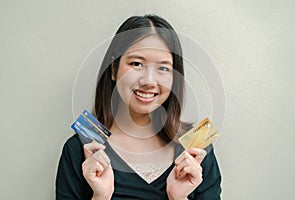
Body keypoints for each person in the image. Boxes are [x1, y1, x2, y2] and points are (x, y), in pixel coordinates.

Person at [56, 14, 221, 200]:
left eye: (163, 68)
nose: (149, 81)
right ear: (113, 69)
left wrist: (178, 198)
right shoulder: (80, 149)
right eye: (136, 63)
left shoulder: (197, 151)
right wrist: (100, 196)